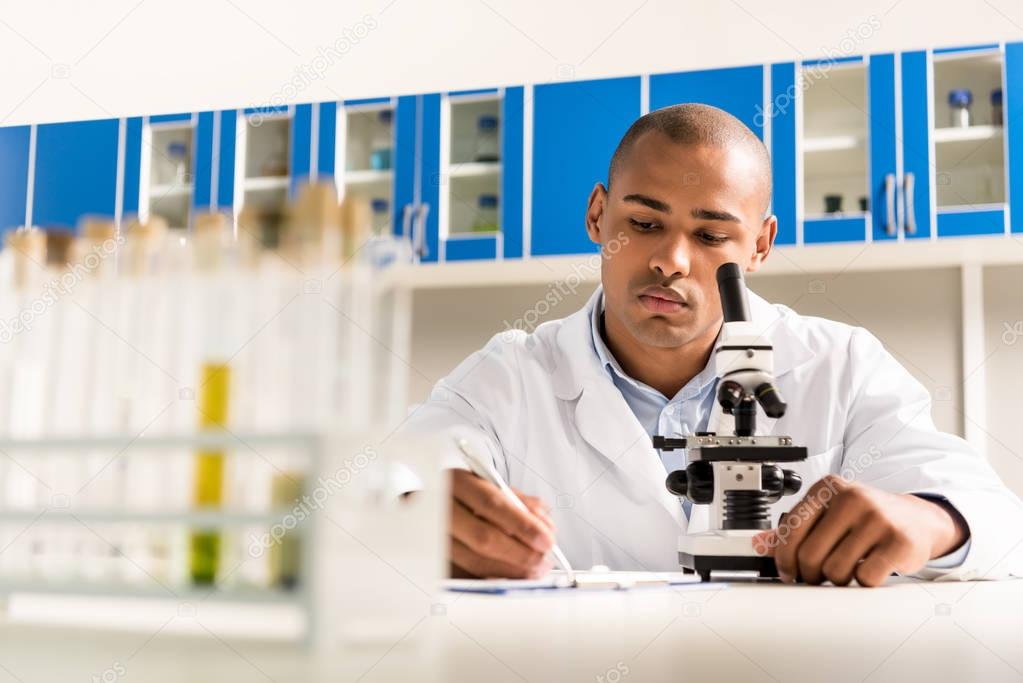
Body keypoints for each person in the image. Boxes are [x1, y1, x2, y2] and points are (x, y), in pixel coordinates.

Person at [404, 103, 1023, 586]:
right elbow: (379, 487)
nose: (671, 261)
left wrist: (934, 520)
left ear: (760, 245)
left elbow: (1001, 523)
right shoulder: (506, 378)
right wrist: (414, 517)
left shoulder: (844, 365)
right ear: (598, 215)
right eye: (644, 224)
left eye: (710, 235)